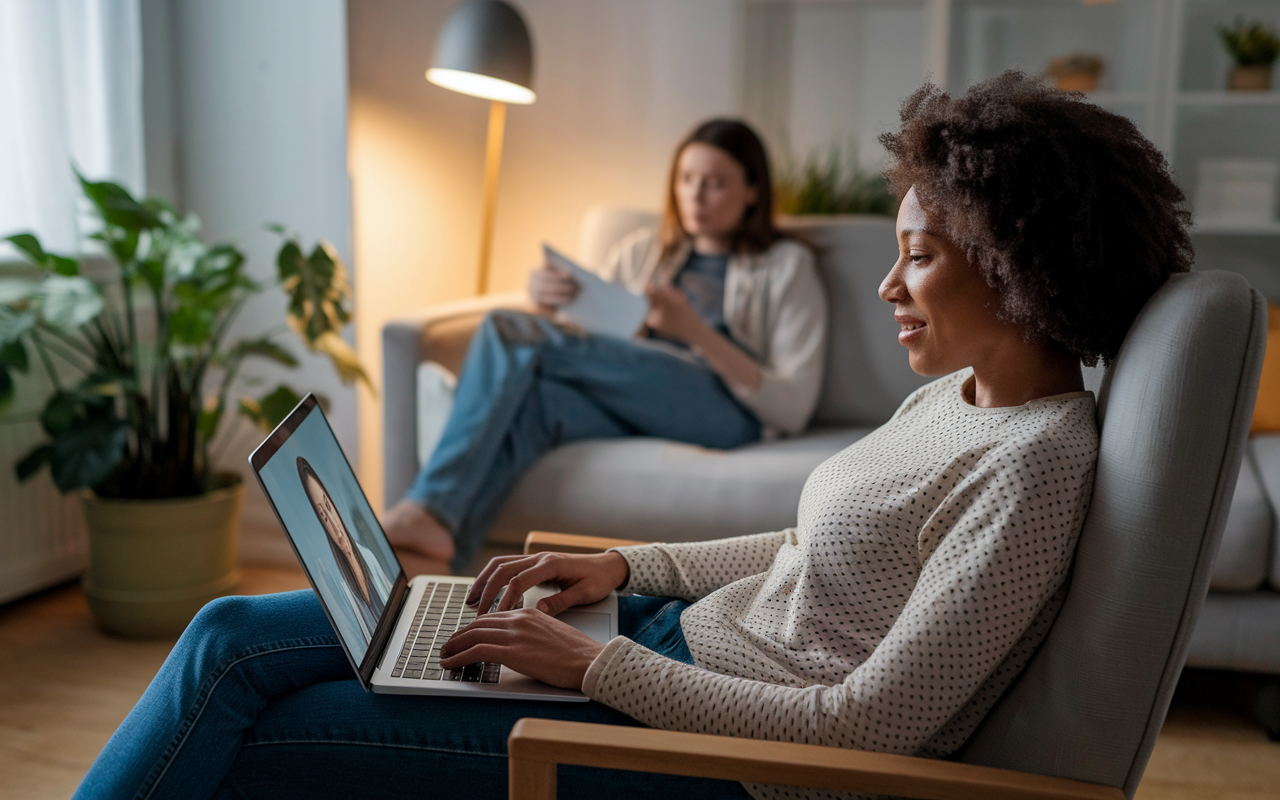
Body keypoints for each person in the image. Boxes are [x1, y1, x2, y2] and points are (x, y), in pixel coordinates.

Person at [73, 72, 1193, 800]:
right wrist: (625, 567)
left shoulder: (1034, 464)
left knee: (261, 731)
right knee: (228, 632)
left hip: (697, 744)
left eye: (920, 255)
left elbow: (865, 727)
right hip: (661, 641)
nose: (889, 285)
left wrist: (595, 663)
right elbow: (804, 549)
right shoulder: (953, 399)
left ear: (1016, 262)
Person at [382, 118, 828, 575]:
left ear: (753, 191)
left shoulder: (787, 265)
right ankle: (444, 564)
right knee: (538, 404)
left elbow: (791, 406)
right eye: (687, 180)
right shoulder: (641, 251)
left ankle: (425, 506)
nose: (695, 196)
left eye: (714, 184)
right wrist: (550, 306)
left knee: (508, 329)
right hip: (632, 398)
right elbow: (592, 349)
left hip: (723, 411)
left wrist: (693, 330)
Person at [298, 457, 391, 641]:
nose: (334, 525)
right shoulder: (336, 584)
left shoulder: (369, 557)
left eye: (328, 508)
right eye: (324, 518)